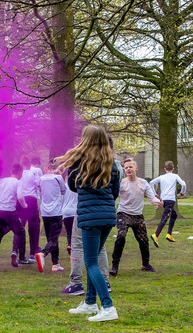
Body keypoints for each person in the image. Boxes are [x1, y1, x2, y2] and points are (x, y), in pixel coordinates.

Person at [57, 125, 120, 322]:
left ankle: (108, 307)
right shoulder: (113, 164)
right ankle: (90, 303)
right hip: (108, 216)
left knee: (91, 262)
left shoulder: (79, 164)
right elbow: (114, 192)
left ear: (86, 139)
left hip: (89, 217)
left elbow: (72, 187)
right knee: (93, 259)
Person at [110, 158, 161, 276]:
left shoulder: (143, 183)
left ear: (136, 168)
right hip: (124, 214)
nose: (128, 169)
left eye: (130, 167)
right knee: (121, 237)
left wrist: (156, 201)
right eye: (126, 167)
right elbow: (112, 196)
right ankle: (114, 266)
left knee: (144, 240)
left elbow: (151, 197)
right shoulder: (122, 183)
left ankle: (146, 264)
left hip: (138, 216)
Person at [0, 163, 28, 271]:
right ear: (20, 172)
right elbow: (20, 196)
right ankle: (21, 257)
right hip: (9, 212)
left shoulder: (2, 181)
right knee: (20, 232)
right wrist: (25, 205)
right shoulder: (18, 182)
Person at [35, 162, 66, 272]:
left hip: (44, 213)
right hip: (56, 212)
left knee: (51, 238)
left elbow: (39, 189)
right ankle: (42, 253)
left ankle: (55, 264)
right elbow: (63, 191)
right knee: (53, 239)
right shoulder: (58, 178)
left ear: (46, 168)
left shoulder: (41, 179)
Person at [149, 160, 186, 246]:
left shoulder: (161, 177)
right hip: (170, 199)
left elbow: (151, 183)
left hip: (163, 200)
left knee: (174, 215)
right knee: (165, 217)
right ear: (173, 168)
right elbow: (183, 184)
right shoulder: (175, 176)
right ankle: (156, 235)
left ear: (165, 169)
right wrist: (182, 192)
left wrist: (155, 194)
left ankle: (169, 234)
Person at [15, 155, 41, 264]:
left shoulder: (19, 175)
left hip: (20, 201)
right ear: (29, 163)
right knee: (33, 228)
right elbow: (38, 184)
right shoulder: (33, 173)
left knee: (20, 227)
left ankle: (16, 252)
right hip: (31, 200)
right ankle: (32, 254)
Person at [61, 181, 77, 255]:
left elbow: (61, 200)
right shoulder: (77, 186)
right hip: (75, 211)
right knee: (76, 232)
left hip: (65, 212)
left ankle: (70, 245)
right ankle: (76, 248)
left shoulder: (64, 186)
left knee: (69, 232)